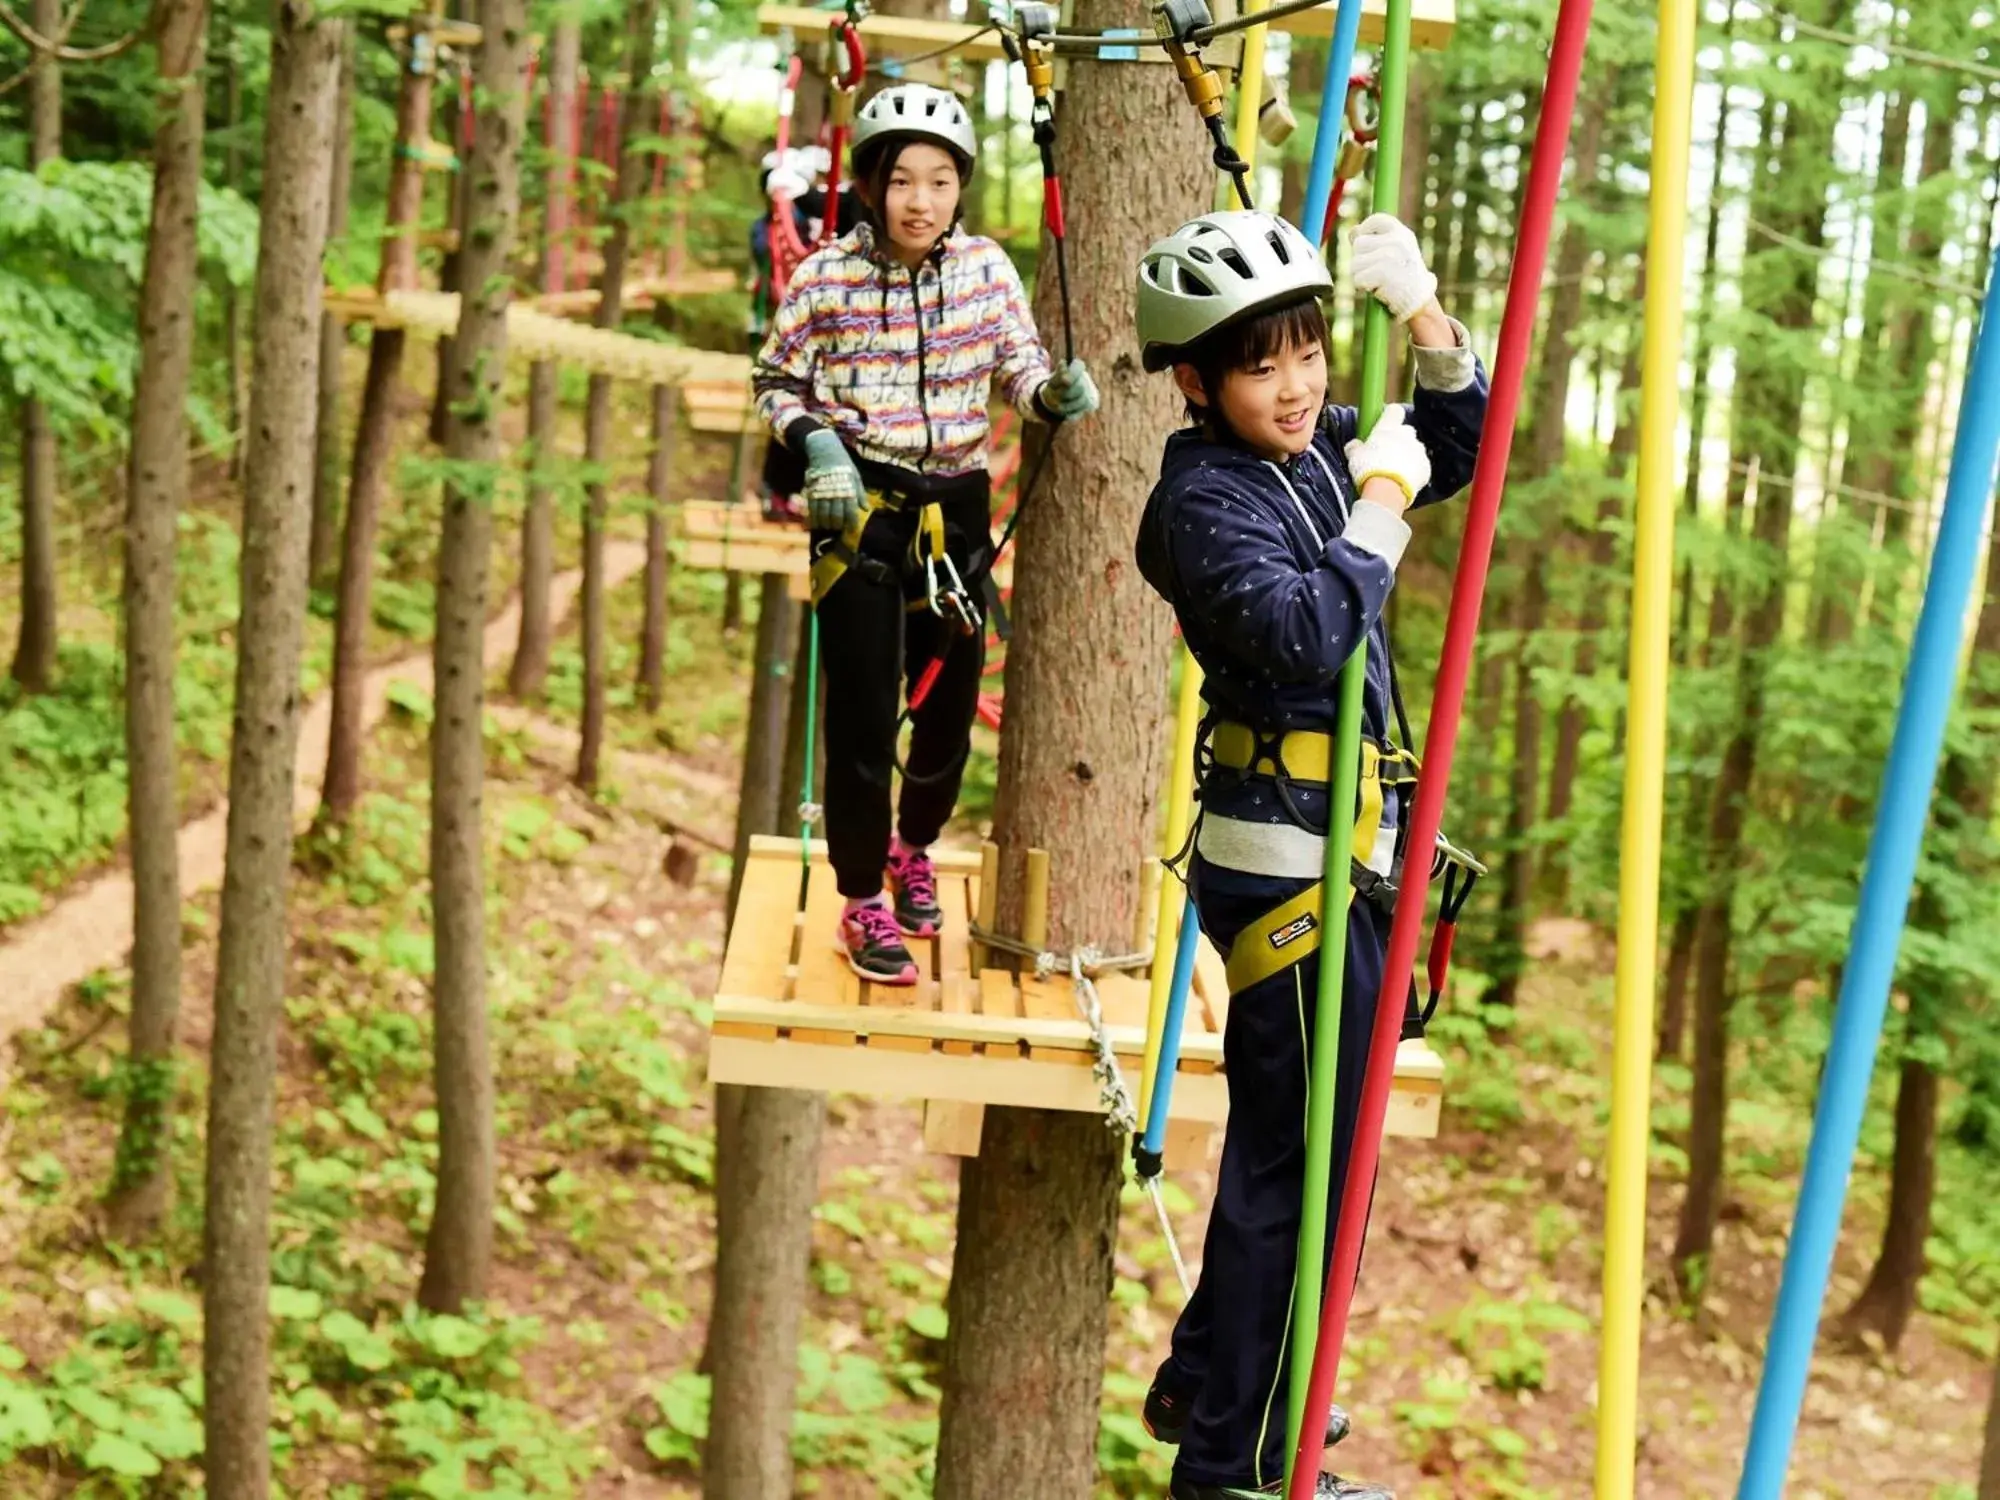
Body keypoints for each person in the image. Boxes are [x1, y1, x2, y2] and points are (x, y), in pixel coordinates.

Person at [1130, 208, 1489, 1500]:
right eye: (1259, 364)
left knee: (1316, 1159)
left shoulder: (1316, 454)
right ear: (1196, 379)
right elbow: (1304, 631)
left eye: (1308, 352)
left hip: (1352, 856)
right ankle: (1235, 1459)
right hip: (1284, 870)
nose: (1297, 386)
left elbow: (1461, 440)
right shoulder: (1195, 506)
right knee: (1300, 1168)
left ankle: (1215, 1380)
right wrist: (1383, 499)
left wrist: (1425, 319)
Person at [753, 82, 1100, 982]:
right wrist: (819, 445)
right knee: (866, 714)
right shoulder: (827, 275)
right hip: (858, 507)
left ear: (960, 188)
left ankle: (915, 851)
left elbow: (1017, 362)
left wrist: (1047, 393)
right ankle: (862, 900)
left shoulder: (985, 269)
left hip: (957, 512)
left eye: (939, 181)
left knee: (947, 709)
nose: (920, 200)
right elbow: (775, 381)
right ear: (871, 185)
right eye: (902, 180)